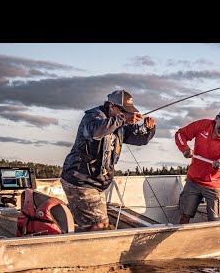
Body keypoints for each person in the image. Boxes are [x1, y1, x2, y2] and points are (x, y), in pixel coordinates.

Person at [60, 89, 156, 231]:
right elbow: (96, 132)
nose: (126, 114)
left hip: (96, 183)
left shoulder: (119, 122)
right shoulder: (93, 117)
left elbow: (139, 138)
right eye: (123, 110)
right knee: (98, 226)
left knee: (100, 225)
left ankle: (73, 236)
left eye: (128, 111)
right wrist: (123, 119)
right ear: (111, 106)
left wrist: (148, 128)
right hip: (80, 180)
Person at [175, 107, 220, 224]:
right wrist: (185, 149)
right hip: (193, 180)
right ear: (217, 118)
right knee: (184, 215)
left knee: (214, 221)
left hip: (215, 185)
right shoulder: (203, 125)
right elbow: (181, 134)